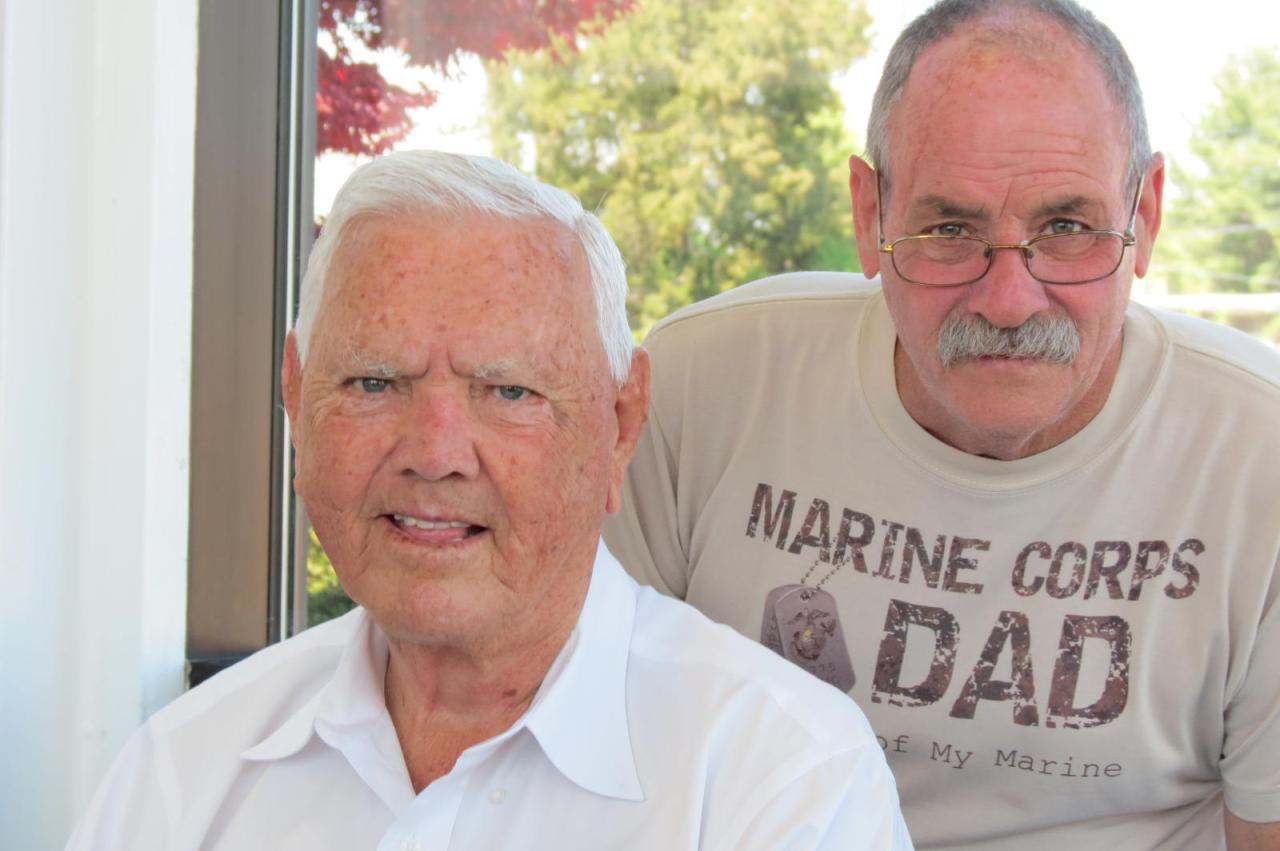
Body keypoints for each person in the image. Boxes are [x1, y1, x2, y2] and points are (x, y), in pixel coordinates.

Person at [66, 151, 911, 850]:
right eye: (374, 382)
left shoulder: (783, 781)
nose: (435, 454)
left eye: (508, 391)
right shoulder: (182, 773)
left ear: (620, 426)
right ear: (295, 399)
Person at [603, 1, 1280, 848]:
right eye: (950, 229)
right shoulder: (702, 389)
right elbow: (581, 747)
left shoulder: (1258, 456)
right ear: (870, 215)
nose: (1008, 301)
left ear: (1143, 216)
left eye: (1066, 228)